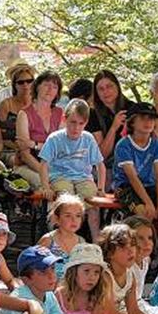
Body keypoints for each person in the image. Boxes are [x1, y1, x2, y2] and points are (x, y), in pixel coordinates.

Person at [38, 98, 106, 239]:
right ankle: (60, 237)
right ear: (65, 119)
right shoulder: (55, 138)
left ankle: (96, 241)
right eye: (73, 123)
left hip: (83, 178)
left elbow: (100, 164)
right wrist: (46, 187)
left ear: (86, 123)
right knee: (66, 201)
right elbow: (43, 164)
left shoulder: (88, 138)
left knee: (92, 203)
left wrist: (101, 188)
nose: (76, 128)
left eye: (81, 124)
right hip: (60, 176)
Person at [112, 101, 158, 242]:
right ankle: (141, 254)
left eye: (151, 118)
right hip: (125, 186)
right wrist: (149, 203)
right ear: (132, 122)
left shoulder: (157, 144)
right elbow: (132, 178)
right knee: (143, 213)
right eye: (143, 118)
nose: (148, 122)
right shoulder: (124, 145)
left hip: (149, 185)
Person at [13, 71, 64, 190]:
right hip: (29, 165)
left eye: (55, 87)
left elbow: (61, 147)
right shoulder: (24, 114)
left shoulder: (60, 113)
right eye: (46, 84)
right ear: (37, 87)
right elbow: (25, 154)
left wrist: (34, 144)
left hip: (54, 165)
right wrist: (45, 172)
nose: (50, 89)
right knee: (46, 185)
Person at [87, 69, 130, 185]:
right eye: (101, 89)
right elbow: (101, 156)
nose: (106, 92)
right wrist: (114, 128)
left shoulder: (132, 109)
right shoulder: (93, 115)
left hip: (133, 164)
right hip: (108, 167)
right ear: (96, 93)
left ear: (117, 86)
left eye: (109, 86)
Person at [37, 193, 87, 279]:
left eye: (78, 216)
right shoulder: (48, 240)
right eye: (68, 216)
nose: (74, 220)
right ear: (57, 218)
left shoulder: (81, 242)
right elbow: (36, 267)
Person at [0, 63, 35, 167]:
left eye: (29, 81)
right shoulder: (6, 105)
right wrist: (20, 148)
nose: (25, 85)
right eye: (21, 82)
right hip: (11, 151)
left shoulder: (38, 103)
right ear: (15, 85)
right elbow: (4, 138)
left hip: (35, 149)